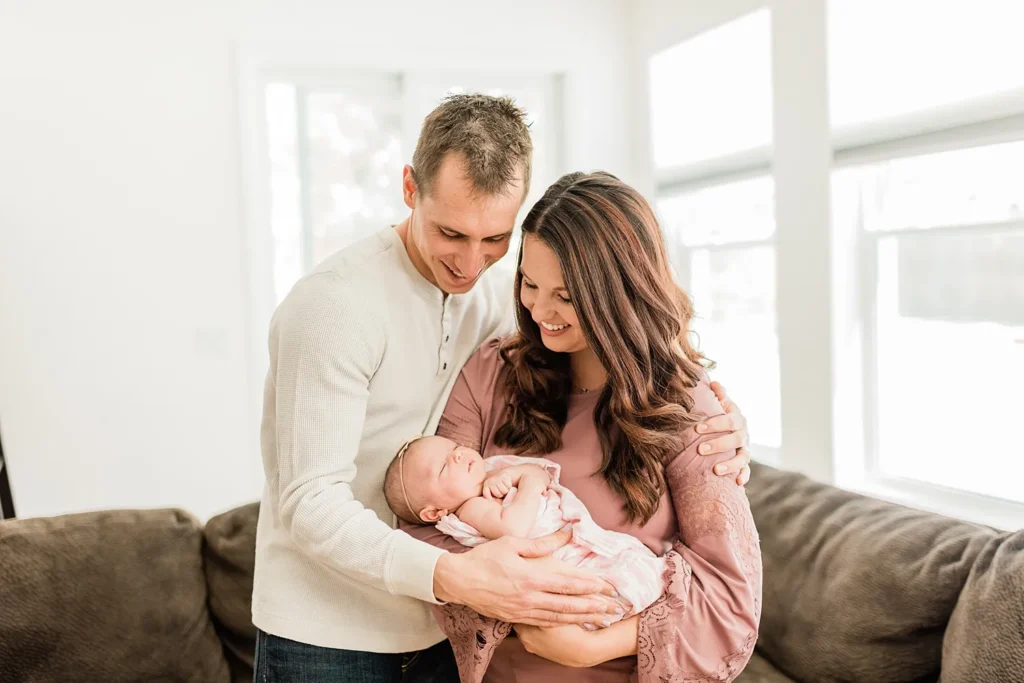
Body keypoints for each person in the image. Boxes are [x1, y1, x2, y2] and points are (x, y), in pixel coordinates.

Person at [251, 94, 753, 682]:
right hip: (330, 629)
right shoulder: (335, 307)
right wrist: (460, 577)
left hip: (443, 634)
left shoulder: (499, 300)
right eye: (451, 233)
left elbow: (618, 346)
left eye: (495, 240)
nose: (470, 264)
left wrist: (717, 414)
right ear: (411, 188)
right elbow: (310, 500)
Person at [403, 171, 762, 682]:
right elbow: (422, 523)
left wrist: (592, 645)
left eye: (566, 297)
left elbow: (732, 597)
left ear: (620, 293)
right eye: (529, 283)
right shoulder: (490, 372)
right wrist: (507, 592)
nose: (540, 311)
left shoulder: (690, 411)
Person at [384, 436, 667, 623]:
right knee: (610, 585)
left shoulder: (492, 470)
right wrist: (528, 484)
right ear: (435, 512)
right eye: (444, 466)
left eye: (453, 448)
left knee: (636, 564)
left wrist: (515, 474)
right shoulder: (470, 509)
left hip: (576, 537)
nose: (457, 456)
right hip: (563, 555)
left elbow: (542, 472)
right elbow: (515, 528)